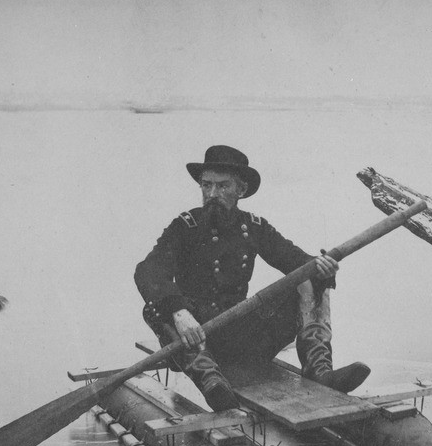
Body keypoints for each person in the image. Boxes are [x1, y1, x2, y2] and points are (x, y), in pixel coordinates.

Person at [134, 145, 370, 411]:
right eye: (206, 185)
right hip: (193, 337)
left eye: (223, 187)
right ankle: (211, 381)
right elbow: (148, 270)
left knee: (311, 277)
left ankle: (318, 368)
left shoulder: (255, 227)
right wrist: (178, 312)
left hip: (241, 338)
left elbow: (295, 260)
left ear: (241, 191)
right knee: (157, 306)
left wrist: (321, 267)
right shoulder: (184, 226)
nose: (212, 194)